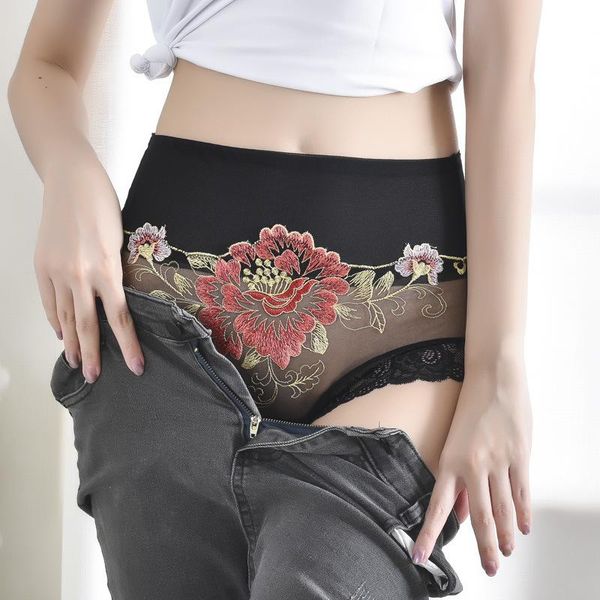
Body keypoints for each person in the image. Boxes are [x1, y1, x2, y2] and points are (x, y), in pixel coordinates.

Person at [8, 1, 541, 598]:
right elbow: (46, 64)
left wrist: (498, 368)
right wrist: (69, 170)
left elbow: (504, 74)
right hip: (167, 319)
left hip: (399, 317)